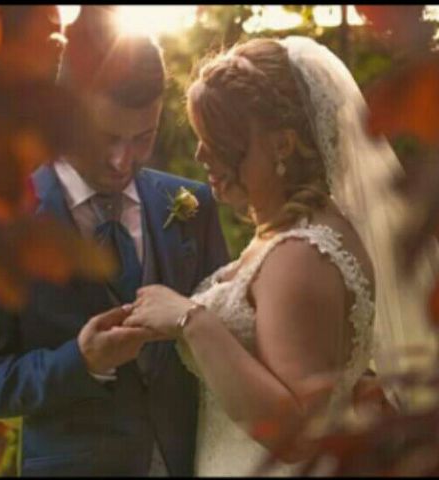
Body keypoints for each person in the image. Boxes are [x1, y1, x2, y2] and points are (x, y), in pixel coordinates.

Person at [0, 6, 228, 476]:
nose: (124, 161)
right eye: (106, 137)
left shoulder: (191, 206)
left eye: (144, 137)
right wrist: (78, 362)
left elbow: (226, 330)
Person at [123, 35, 416, 475]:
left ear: (282, 144)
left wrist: (191, 320)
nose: (202, 155)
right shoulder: (298, 233)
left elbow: (296, 434)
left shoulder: (300, 255)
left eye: (219, 140)